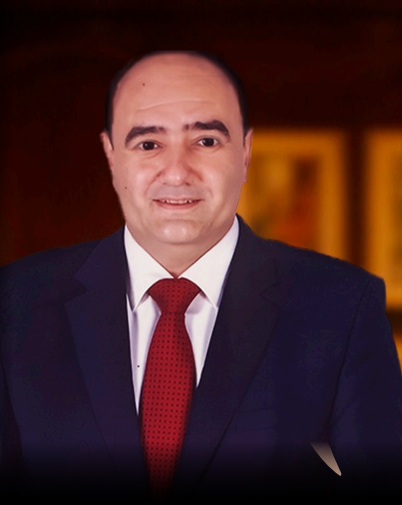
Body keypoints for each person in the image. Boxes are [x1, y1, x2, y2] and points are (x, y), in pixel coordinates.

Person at [1, 50, 401, 501]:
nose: (177, 172)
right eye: (148, 144)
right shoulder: (16, 304)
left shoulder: (342, 307)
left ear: (245, 152)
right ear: (111, 155)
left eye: (206, 141)